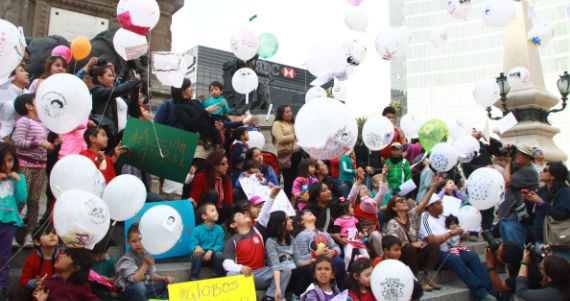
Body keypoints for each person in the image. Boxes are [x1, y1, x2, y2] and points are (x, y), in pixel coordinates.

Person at [419, 195, 496, 300]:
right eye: (438, 204)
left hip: (450, 249)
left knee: (472, 256)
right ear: (430, 206)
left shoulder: (443, 217)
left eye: (441, 203)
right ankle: (481, 292)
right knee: (454, 259)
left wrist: (460, 233)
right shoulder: (425, 218)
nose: (441, 206)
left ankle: (492, 290)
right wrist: (451, 233)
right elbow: (433, 242)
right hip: (435, 255)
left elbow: (453, 235)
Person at [223, 186, 292, 301]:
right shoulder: (232, 241)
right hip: (243, 276)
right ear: (233, 225)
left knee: (285, 269)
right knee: (230, 274)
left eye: (245, 214)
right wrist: (240, 268)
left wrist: (272, 196)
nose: (245, 215)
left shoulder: (257, 230)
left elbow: (265, 212)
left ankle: (270, 297)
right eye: (241, 215)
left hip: (261, 274)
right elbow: (226, 263)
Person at [384, 174, 440, 291]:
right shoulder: (392, 223)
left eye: (404, 199)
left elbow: (424, 202)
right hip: (404, 256)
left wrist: (433, 187)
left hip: (416, 253)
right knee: (409, 247)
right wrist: (413, 245)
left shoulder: (412, 215)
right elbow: (394, 245)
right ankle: (416, 278)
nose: (404, 201)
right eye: (400, 201)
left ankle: (427, 275)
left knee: (434, 244)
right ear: (394, 208)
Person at [10, 94, 51, 247]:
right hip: (25, 164)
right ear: (28, 106)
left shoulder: (42, 123)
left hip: (40, 165)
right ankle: (12, 232)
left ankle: (29, 233)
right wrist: (38, 143)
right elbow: (18, 142)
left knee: (34, 201)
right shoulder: (23, 121)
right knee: (22, 199)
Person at [89, 63, 141, 151]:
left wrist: (135, 89)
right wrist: (133, 81)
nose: (113, 78)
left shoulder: (118, 99)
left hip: (118, 141)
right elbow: (116, 91)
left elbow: (134, 110)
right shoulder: (96, 90)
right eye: (109, 76)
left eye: (113, 76)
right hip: (103, 138)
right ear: (100, 78)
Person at [523, 162, 570, 260]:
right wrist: (528, 201)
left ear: (553, 176)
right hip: (540, 238)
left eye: (545, 170)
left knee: (560, 271)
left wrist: (540, 202)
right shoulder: (541, 191)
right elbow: (533, 214)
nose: (541, 172)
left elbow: (560, 215)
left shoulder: (564, 192)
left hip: (558, 241)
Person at [115, 223, 173, 301]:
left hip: (144, 288)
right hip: (127, 290)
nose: (138, 244)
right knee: (140, 287)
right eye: (134, 241)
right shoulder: (126, 259)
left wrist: (164, 278)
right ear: (128, 243)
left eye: (141, 240)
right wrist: (146, 264)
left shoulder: (145, 255)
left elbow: (151, 275)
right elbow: (135, 280)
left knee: (168, 285)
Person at [265, 211, 313, 299]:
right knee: (285, 270)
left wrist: (313, 260)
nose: (291, 221)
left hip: (292, 274)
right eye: (288, 219)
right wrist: (277, 288)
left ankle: (294, 296)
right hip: (279, 275)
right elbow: (275, 266)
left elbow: (299, 262)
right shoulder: (271, 241)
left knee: (310, 268)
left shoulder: (291, 239)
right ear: (281, 224)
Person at [293, 208, 345, 289]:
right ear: (301, 222)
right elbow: (300, 259)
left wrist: (333, 252)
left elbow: (336, 247)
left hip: (328, 260)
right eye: (305, 213)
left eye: (310, 211)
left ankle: (340, 290)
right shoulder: (301, 236)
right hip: (313, 264)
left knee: (339, 261)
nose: (309, 212)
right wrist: (316, 254)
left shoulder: (324, 233)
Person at [498, 144, 539, 247]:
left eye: (518, 154)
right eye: (515, 153)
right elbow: (497, 160)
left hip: (515, 219)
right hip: (506, 217)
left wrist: (508, 163)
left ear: (528, 157)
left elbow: (506, 181)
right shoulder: (517, 167)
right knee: (508, 253)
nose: (515, 155)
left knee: (515, 252)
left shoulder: (529, 171)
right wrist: (503, 150)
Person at [9, 224, 60, 301]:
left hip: (55, 290)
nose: (52, 236)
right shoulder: (32, 259)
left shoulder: (62, 258)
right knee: (16, 292)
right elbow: (23, 280)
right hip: (36, 290)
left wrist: (50, 282)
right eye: (47, 234)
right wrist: (36, 283)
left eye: (54, 234)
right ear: (37, 242)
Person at [32, 248, 98, 301]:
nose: (60, 256)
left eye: (66, 256)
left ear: (75, 267)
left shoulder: (81, 286)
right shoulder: (48, 283)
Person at [372, 235, 423, 301]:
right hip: (384, 289)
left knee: (416, 285)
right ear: (386, 250)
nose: (399, 253)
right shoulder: (378, 262)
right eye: (396, 250)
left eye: (400, 250)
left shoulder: (400, 264)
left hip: (399, 289)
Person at [190, 151, 233, 223]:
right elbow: (194, 201)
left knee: (232, 207)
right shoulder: (201, 177)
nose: (227, 166)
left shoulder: (225, 180)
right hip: (201, 213)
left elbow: (228, 202)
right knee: (212, 194)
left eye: (227, 163)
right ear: (214, 166)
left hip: (215, 214)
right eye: (223, 164)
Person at [189, 202, 225, 280]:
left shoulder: (219, 229)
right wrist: (197, 247)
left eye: (216, 210)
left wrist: (211, 251)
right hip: (200, 257)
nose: (216, 212)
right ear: (204, 216)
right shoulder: (197, 230)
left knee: (219, 255)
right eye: (212, 211)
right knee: (197, 253)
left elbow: (220, 244)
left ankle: (218, 274)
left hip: (213, 257)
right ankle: (194, 276)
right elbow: (193, 243)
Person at [272, 105, 301, 199]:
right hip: (287, 156)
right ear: (281, 114)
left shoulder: (292, 124)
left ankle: (299, 202)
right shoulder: (277, 124)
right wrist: (294, 136)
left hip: (298, 155)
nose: (290, 113)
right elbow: (280, 139)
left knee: (299, 181)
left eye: (290, 111)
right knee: (289, 182)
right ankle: (287, 203)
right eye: (287, 112)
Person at [331, 201, 368, 269]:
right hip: (348, 242)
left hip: (357, 240)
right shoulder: (339, 220)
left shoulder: (353, 219)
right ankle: (344, 271)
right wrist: (341, 237)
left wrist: (360, 232)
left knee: (366, 256)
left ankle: (368, 269)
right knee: (348, 256)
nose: (353, 209)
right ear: (345, 210)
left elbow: (359, 227)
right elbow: (336, 231)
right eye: (351, 207)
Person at [0, 65, 29, 141]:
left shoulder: (28, 94)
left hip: (21, 137)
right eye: (21, 71)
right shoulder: (2, 90)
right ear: (12, 75)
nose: (26, 73)